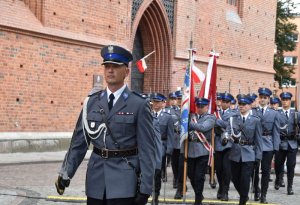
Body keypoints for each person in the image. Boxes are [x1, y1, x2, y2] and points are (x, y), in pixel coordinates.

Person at [55, 45, 156, 205]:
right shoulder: (92, 102)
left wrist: (145, 188)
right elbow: (79, 142)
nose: (110, 70)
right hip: (96, 180)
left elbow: (147, 150)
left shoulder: (139, 104)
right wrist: (66, 172)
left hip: (124, 181)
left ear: (127, 72)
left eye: (115, 66)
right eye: (107, 66)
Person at [224, 94, 263, 205]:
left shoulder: (255, 120)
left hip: (249, 153)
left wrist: (258, 156)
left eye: (244, 104)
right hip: (235, 152)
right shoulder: (233, 119)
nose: (241, 106)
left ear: (250, 106)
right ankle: (244, 195)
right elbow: (227, 131)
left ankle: (242, 202)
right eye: (240, 104)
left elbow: (258, 139)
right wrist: (225, 137)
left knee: (245, 179)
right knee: (235, 178)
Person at [250, 88, 280, 203]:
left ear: (268, 99)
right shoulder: (253, 111)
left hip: (268, 144)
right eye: (261, 97)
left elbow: (276, 131)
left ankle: (263, 194)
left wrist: (276, 148)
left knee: (266, 171)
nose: (262, 99)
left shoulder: (274, 113)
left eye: (265, 98)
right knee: (254, 170)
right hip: (255, 144)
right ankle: (256, 190)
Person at [186, 97, 216, 205]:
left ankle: (198, 199)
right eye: (197, 106)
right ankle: (199, 194)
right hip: (190, 149)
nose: (199, 108)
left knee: (199, 176)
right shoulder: (191, 116)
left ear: (207, 107)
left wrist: (188, 124)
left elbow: (203, 127)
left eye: (202, 106)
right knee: (190, 175)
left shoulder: (211, 117)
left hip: (203, 149)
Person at [150, 92, 174, 205]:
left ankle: (156, 195)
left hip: (161, 147)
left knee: (157, 173)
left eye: (157, 102)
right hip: (148, 147)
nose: (155, 104)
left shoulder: (168, 117)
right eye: (154, 101)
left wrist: (169, 150)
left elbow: (170, 135)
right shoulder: (148, 114)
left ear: (163, 103)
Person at [274, 92, 300, 195]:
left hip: (292, 143)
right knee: (278, 164)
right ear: (281, 101)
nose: (285, 101)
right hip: (280, 143)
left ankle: (290, 186)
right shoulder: (277, 113)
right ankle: (278, 178)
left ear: (290, 101)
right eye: (283, 99)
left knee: (291, 165)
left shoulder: (296, 114)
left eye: (287, 99)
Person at [214, 92, 236, 201]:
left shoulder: (233, 114)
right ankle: (221, 187)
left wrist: (217, 121)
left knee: (227, 169)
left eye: (227, 102)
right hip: (217, 143)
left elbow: (229, 126)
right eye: (223, 101)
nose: (224, 103)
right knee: (218, 169)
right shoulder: (215, 112)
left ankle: (225, 191)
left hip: (228, 144)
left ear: (230, 103)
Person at [166, 92, 181, 189]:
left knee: (182, 163)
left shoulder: (185, 110)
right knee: (174, 162)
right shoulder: (167, 111)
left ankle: (180, 180)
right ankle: (176, 178)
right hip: (173, 140)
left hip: (182, 140)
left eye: (177, 99)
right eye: (172, 99)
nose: (174, 101)